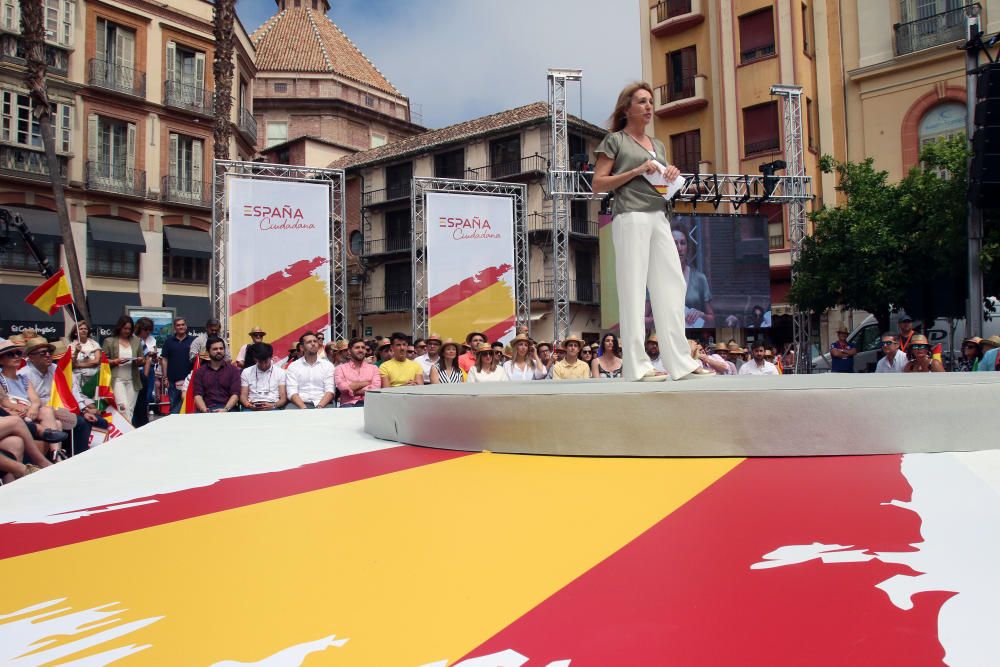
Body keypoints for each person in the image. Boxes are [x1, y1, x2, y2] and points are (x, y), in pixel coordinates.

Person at [592, 81, 710, 382]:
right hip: (630, 215)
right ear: (627, 108)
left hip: (659, 216)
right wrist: (635, 171)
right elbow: (598, 185)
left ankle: (681, 362)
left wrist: (671, 173)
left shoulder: (658, 145)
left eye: (650, 102)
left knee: (672, 287)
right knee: (632, 290)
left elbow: (663, 182)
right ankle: (636, 366)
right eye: (642, 101)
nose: (649, 107)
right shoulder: (614, 141)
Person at [18, 338, 108, 455]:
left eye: (50, 352)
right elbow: (23, 402)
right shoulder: (23, 374)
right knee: (81, 423)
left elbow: (72, 391)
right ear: (31, 357)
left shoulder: (55, 369)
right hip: (40, 413)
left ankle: (95, 454)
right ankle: (75, 458)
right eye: (43, 353)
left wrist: (84, 410)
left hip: (60, 408)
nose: (48, 355)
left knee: (101, 422)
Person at [0, 339, 67, 460]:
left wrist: (33, 407)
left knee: (49, 413)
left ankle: (55, 454)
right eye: (10, 354)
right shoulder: (1, 379)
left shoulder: (23, 378)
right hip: (14, 414)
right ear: (1, 360)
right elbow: (4, 401)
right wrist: (23, 408)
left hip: (29, 413)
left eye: (18, 354)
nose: (16, 357)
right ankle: (51, 458)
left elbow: (35, 400)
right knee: (56, 423)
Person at [672, 222, 714, 328]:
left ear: (687, 247)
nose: (679, 248)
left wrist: (701, 314)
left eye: (682, 243)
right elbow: (643, 318)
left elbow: (712, 319)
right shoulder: (657, 280)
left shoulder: (700, 279)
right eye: (674, 243)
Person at [102, 315, 143, 422]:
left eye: (129, 329)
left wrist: (139, 360)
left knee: (130, 409)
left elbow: (142, 360)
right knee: (123, 407)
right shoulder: (109, 341)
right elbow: (102, 361)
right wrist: (115, 361)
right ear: (119, 327)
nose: (127, 331)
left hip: (133, 379)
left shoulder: (136, 341)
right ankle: (127, 433)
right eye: (125, 328)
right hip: (117, 379)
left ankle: (125, 432)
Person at [285, 331, 335, 409]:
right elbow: (292, 392)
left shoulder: (328, 366)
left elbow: (330, 390)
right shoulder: (293, 366)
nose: (313, 344)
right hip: (299, 403)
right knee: (289, 411)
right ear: (302, 348)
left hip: (323, 403)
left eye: (315, 341)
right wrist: (303, 408)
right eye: (309, 342)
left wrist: (320, 406)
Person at [191, 337, 241, 413]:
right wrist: (204, 410)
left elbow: (235, 394)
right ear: (208, 352)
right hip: (206, 410)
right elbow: (197, 395)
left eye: (221, 348)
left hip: (229, 410)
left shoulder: (233, 370)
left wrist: (225, 409)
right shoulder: (200, 372)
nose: (219, 351)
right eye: (215, 349)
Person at [334, 338, 381, 407]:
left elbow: (375, 389)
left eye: (363, 348)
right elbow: (343, 388)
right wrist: (366, 383)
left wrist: (352, 390)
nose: (361, 350)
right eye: (357, 348)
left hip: (369, 404)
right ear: (349, 351)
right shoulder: (340, 368)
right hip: (348, 405)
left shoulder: (374, 368)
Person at [240, 342, 287, 411]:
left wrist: (273, 406)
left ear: (271, 358)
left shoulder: (280, 372)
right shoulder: (246, 372)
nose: (263, 365)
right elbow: (243, 396)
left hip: (273, 405)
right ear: (255, 359)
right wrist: (250, 405)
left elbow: (283, 398)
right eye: (260, 362)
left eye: (266, 361)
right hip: (252, 406)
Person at [161, 317, 194, 414]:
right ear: (174, 327)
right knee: (174, 406)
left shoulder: (193, 340)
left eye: (183, 324)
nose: (181, 327)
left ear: (186, 326)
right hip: (172, 380)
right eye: (178, 325)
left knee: (189, 405)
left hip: (190, 380)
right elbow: (164, 360)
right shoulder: (168, 341)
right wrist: (165, 377)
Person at [132, 317, 157, 427]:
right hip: (130, 373)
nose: (148, 332)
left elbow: (147, 358)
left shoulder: (142, 341)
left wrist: (145, 376)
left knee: (144, 399)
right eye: (145, 330)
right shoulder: (133, 339)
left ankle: (141, 422)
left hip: (142, 373)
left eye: (149, 330)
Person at [68, 321, 101, 388]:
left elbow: (97, 361)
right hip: (78, 379)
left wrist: (79, 364)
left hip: (94, 379)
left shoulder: (95, 344)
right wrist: (76, 352)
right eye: (81, 329)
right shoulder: (70, 346)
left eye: (85, 329)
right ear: (75, 333)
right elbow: (72, 364)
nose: (83, 330)